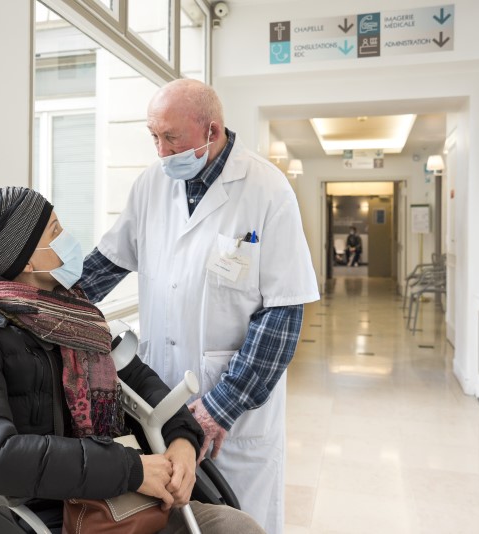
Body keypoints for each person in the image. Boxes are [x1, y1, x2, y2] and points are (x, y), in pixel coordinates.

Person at [0, 186, 264, 534]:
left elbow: (148, 387)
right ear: (27, 258)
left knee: (237, 527)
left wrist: (182, 442)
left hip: (129, 498)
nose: (67, 238)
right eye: (55, 230)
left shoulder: (76, 316)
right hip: (58, 512)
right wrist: (132, 470)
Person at [79, 79, 320, 534]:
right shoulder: (151, 186)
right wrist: (38, 298)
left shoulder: (267, 190)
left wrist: (219, 409)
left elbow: (283, 317)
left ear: (212, 130)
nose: (161, 150)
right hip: (162, 396)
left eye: (171, 137)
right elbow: (102, 266)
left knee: (239, 521)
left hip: (233, 410)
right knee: (174, 522)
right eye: (154, 136)